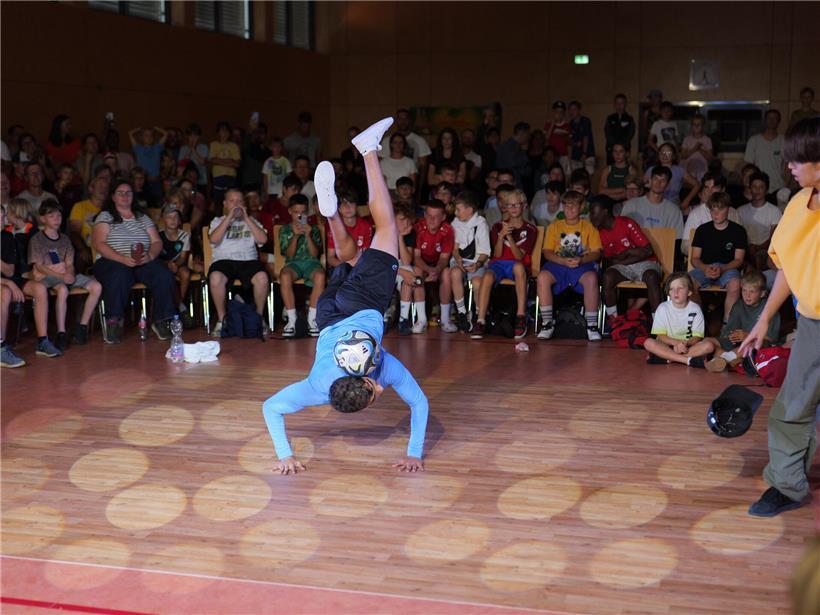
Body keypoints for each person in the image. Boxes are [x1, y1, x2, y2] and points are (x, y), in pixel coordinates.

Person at [262, 117, 429, 475]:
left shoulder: (379, 366)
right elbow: (271, 407)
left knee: (385, 229)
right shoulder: (317, 387)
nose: (380, 391)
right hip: (327, 313)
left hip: (361, 304)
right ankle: (332, 216)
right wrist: (283, 453)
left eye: (373, 391)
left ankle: (368, 149)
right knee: (350, 257)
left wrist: (415, 452)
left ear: (363, 381)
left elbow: (419, 402)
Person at [739, 116, 819, 517]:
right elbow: (787, 266)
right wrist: (763, 319)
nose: (788, 166)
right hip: (811, 324)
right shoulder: (796, 203)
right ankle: (787, 486)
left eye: (796, 159)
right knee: (793, 407)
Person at [91, 180, 179, 344]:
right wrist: (122, 258)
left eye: (128, 193)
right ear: (113, 196)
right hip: (112, 260)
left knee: (163, 274)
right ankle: (114, 321)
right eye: (120, 192)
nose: (125, 196)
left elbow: (157, 242)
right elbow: (99, 243)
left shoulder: (142, 217)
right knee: (119, 274)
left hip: (142, 260)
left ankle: (161, 320)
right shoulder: (106, 216)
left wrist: (151, 256)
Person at [28, 200, 102, 349]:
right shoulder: (37, 239)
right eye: (51, 216)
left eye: (59, 216)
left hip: (64, 273)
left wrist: (69, 273)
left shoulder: (65, 239)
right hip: (47, 276)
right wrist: (62, 277)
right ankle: (61, 332)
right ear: (43, 218)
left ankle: (82, 327)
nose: (56, 219)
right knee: (62, 289)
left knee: (96, 286)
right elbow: (39, 266)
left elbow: (69, 263)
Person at [472, 186, 537, 340]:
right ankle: (481, 320)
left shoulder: (530, 229)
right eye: (509, 205)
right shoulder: (497, 226)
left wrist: (509, 238)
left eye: (516, 205)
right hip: (499, 264)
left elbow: (519, 256)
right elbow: (497, 254)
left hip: (516, 264)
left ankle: (521, 316)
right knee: (487, 276)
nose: (513, 208)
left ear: (523, 206)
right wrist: (501, 237)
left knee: (519, 267)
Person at [535, 190, 602, 341]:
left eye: (573, 207)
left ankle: (591, 325)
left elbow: (596, 252)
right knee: (543, 277)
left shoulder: (588, 227)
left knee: (591, 278)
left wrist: (581, 260)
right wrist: (562, 261)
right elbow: (547, 251)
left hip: (581, 263)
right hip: (559, 263)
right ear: (562, 207)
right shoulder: (555, 227)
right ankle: (547, 323)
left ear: (581, 208)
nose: (569, 210)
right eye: (566, 206)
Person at [207, 188, 270, 338]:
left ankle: (258, 318)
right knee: (215, 277)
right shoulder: (217, 221)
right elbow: (213, 240)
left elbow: (263, 240)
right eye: (232, 201)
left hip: (248, 260)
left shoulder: (252, 221)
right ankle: (222, 320)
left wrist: (246, 218)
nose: (236, 204)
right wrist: (229, 218)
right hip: (224, 261)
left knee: (262, 278)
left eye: (240, 201)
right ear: (225, 204)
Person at [3, 200, 61, 358]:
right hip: (12, 276)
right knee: (7, 292)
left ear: (15, 214)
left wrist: (57, 267)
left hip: (26, 274)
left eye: (6, 214)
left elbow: (50, 251)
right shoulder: (8, 231)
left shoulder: (33, 232)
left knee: (40, 288)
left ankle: (43, 341)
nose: (4, 217)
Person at [589, 195, 662, 318]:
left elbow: (648, 251)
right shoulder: (599, 233)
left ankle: (659, 325)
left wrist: (625, 255)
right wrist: (630, 253)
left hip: (646, 263)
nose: (591, 216)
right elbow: (610, 260)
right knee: (608, 276)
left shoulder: (626, 223)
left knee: (651, 276)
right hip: (623, 267)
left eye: (593, 212)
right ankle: (614, 321)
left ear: (605, 211)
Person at [702, 270, 779, 372]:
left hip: (757, 345)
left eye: (752, 291)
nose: (747, 295)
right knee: (708, 341)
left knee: (749, 345)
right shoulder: (738, 305)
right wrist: (732, 336)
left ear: (762, 293)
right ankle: (729, 360)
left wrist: (747, 336)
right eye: (744, 290)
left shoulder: (770, 308)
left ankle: (721, 360)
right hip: (736, 346)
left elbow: (771, 339)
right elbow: (727, 334)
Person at [689, 192, 747, 319]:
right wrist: (705, 268)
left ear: (727, 209)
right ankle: (698, 322)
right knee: (688, 283)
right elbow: (694, 258)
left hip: (728, 268)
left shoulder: (738, 231)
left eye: (720, 209)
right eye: (712, 210)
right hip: (705, 267)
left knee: (735, 284)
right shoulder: (702, 230)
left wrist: (723, 268)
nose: (715, 214)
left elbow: (738, 260)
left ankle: (727, 324)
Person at [278, 193, 326, 337]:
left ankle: (312, 319)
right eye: (296, 212)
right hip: (293, 264)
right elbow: (289, 255)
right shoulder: (285, 230)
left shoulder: (314, 229)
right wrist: (295, 236)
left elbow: (315, 254)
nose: (299, 216)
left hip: (311, 263)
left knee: (320, 275)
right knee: (285, 275)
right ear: (289, 211)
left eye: (303, 212)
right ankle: (291, 321)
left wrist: (308, 236)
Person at [643, 272, 712, 367]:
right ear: (668, 292)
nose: (675, 292)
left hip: (687, 346)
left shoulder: (695, 309)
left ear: (689, 292)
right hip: (667, 345)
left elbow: (697, 337)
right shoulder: (663, 308)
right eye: (672, 289)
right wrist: (676, 343)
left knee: (709, 346)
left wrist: (684, 344)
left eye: (680, 288)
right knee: (648, 343)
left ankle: (668, 358)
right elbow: (661, 336)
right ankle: (688, 360)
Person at [446, 191, 490, 333]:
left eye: (459, 210)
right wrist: (457, 257)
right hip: (461, 261)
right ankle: (462, 313)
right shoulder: (455, 222)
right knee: (454, 273)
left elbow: (484, 252)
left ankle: (478, 315)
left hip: (477, 261)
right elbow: (455, 247)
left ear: (469, 210)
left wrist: (477, 264)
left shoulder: (481, 224)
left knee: (477, 283)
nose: (456, 212)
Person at [412, 200, 454, 333]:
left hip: (438, 265)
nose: (432, 219)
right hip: (423, 264)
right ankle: (422, 320)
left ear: (443, 217)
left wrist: (436, 270)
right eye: (429, 215)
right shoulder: (418, 228)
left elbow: (444, 258)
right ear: (424, 214)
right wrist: (429, 270)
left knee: (446, 273)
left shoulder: (447, 230)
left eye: (436, 216)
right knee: (417, 272)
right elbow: (416, 257)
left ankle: (445, 320)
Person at [681, 172, 741, 255]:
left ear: (722, 189)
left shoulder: (733, 213)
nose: (710, 191)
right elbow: (684, 246)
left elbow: (740, 242)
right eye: (706, 187)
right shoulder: (696, 214)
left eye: (714, 187)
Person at [621, 166, 684, 240]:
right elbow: (622, 233)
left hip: (663, 250)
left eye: (663, 181)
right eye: (655, 179)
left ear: (668, 185)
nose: (658, 183)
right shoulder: (631, 205)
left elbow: (678, 238)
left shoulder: (674, 211)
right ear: (650, 181)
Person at [737, 171, 782, 270]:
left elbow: (774, 238)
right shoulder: (741, 211)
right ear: (750, 189)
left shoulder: (774, 211)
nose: (757, 190)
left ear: (766, 190)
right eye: (754, 186)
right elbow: (738, 235)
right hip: (745, 250)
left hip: (765, 251)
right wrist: (749, 246)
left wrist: (758, 247)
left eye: (761, 187)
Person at [378, 108, 431, 190]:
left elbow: (422, 168)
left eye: (405, 119)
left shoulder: (420, 141)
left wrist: (419, 189)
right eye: (400, 119)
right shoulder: (386, 141)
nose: (403, 121)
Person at [158, 203, 192, 323]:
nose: (172, 220)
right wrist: (167, 264)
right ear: (164, 220)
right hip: (161, 265)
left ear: (179, 221)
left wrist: (175, 265)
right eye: (169, 217)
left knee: (185, 273)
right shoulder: (158, 236)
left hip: (177, 264)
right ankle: (181, 308)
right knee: (165, 275)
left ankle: (178, 304)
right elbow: (155, 256)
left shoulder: (184, 236)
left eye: (175, 217)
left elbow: (183, 257)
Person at [644, 143, 700, 214]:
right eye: (662, 152)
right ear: (658, 155)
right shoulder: (651, 170)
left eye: (668, 152)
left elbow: (697, 184)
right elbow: (642, 186)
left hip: (673, 203)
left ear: (673, 156)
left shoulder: (680, 171)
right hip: (654, 203)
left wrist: (687, 200)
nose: (665, 155)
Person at [69, 175, 109, 273]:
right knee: (80, 256)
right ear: (91, 188)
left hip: (107, 250)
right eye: (100, 186)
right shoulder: (80, 207)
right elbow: (74, 232)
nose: (103, 189)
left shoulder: (111, 209)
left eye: (106, 187)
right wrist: (83, 248)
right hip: (89, 249)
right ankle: (77, 284)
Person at [326, 188, 373, 270]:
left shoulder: (366, 226)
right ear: (339, 208)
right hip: (341, 267)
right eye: (344, 204)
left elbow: (366, 254)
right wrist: (346, 267)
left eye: (351, 203)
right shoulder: (334, 228)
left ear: (356, 206)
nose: (347, 207)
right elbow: (330, 258)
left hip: (360, 268)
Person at [744, 109, 787, 198]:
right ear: (765, 120)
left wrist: (787, 185)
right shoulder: (754, 140)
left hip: (779, 188)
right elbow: (749, 166)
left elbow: (788, 165)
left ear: (779, 121)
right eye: (769, 118)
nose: (771, 120)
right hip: (758, 188)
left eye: (774, 118)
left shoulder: (784, 140)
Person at [394, 204, 422, 335]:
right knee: (407, 272)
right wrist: (401, 271)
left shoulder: (409, 234)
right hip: (386, 267)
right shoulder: (384, 233)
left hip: (400, 266)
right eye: (401, 219)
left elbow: (406, 261)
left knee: (410, 275)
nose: (405, 223)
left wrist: (400, 237)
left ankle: (403, 319)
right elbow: (382, 262)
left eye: (407, 219)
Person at [129, 126, 167, 204]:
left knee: (158, 204)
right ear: (141, 137)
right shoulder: (138, 148)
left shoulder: (157, 147)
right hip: (143, 183)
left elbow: (165, 134)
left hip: (156, 182)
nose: (149, 137)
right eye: (146, 135)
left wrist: (156, 128)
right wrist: (139, 129)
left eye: (151, 135)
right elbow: (130, 133)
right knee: (144, 205)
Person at [209, 121, 241, 207]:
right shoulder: (214, 144)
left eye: (226, 131)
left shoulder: (233, 146)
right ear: (218, 132)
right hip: (218, 176)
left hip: (231, 176)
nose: (224, 133)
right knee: (218, 201)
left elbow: (237, 164)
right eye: (222, 130)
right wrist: (229, 161)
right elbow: (212, 160)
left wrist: (220, 161)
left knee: (231, 200)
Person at [495, 122, 531, 189]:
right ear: (522, 133)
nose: (528, 137)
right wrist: (524, 152)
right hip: (508, 185)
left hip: (513, 183)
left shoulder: (515, 146)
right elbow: (513, 162)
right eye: (528, 134)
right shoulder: (507, 146)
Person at [177, 123, 209, 195]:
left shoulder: (204, 147)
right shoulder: (183, 148)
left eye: (195, 135)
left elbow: (202, 162)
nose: (193, 138)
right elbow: (181, 165)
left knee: (200, 202)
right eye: (191, 135)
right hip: (186, 182)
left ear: (199, 136)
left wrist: (193, 149)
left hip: (201, 182)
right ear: (187, 136)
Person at [680, 113, 713, 181]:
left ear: (703, 126)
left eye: (699, 124)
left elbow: (710, 158)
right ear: (691, 126)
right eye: (694, 124)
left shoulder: (707, 140)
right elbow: (683, 156)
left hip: (702, 171)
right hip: (689, 170)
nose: (697, 126)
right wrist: (694, 149)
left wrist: (700, 149)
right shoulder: (687, 139)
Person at [604, 94, 636, 164]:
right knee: (610, 170)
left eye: (621, 103)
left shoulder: (629, 119)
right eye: (617, 103)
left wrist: (622, 147)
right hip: (611, 149)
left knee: (623, 169)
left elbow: (630, 134)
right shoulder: (610, 118)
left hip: (624, 149)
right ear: (614, 104)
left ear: (625, 104)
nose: (619, 105)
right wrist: (615, 147)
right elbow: (607, 133)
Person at [568, 100, 595, 174]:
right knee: (576, 176)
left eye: (574, 109)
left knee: (589, 174)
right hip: (575, 155)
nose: (572, 112)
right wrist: (569, 158)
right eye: (570, 109)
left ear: (579, 110)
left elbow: (586, 137)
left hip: (587, 154)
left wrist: (584, 153)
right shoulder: (570, 124)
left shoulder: (585, 121)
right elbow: (569, 141)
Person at [544, 102, 571, 174]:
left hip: (563, 155)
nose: (559, 114)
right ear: (553, 112)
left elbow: (569, 143)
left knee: (564, 175)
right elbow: (546, 138)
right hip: (552, 157)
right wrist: (553, 123)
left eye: (561, 112)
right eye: (557, 111)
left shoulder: (567, 125)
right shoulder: (548, 124)